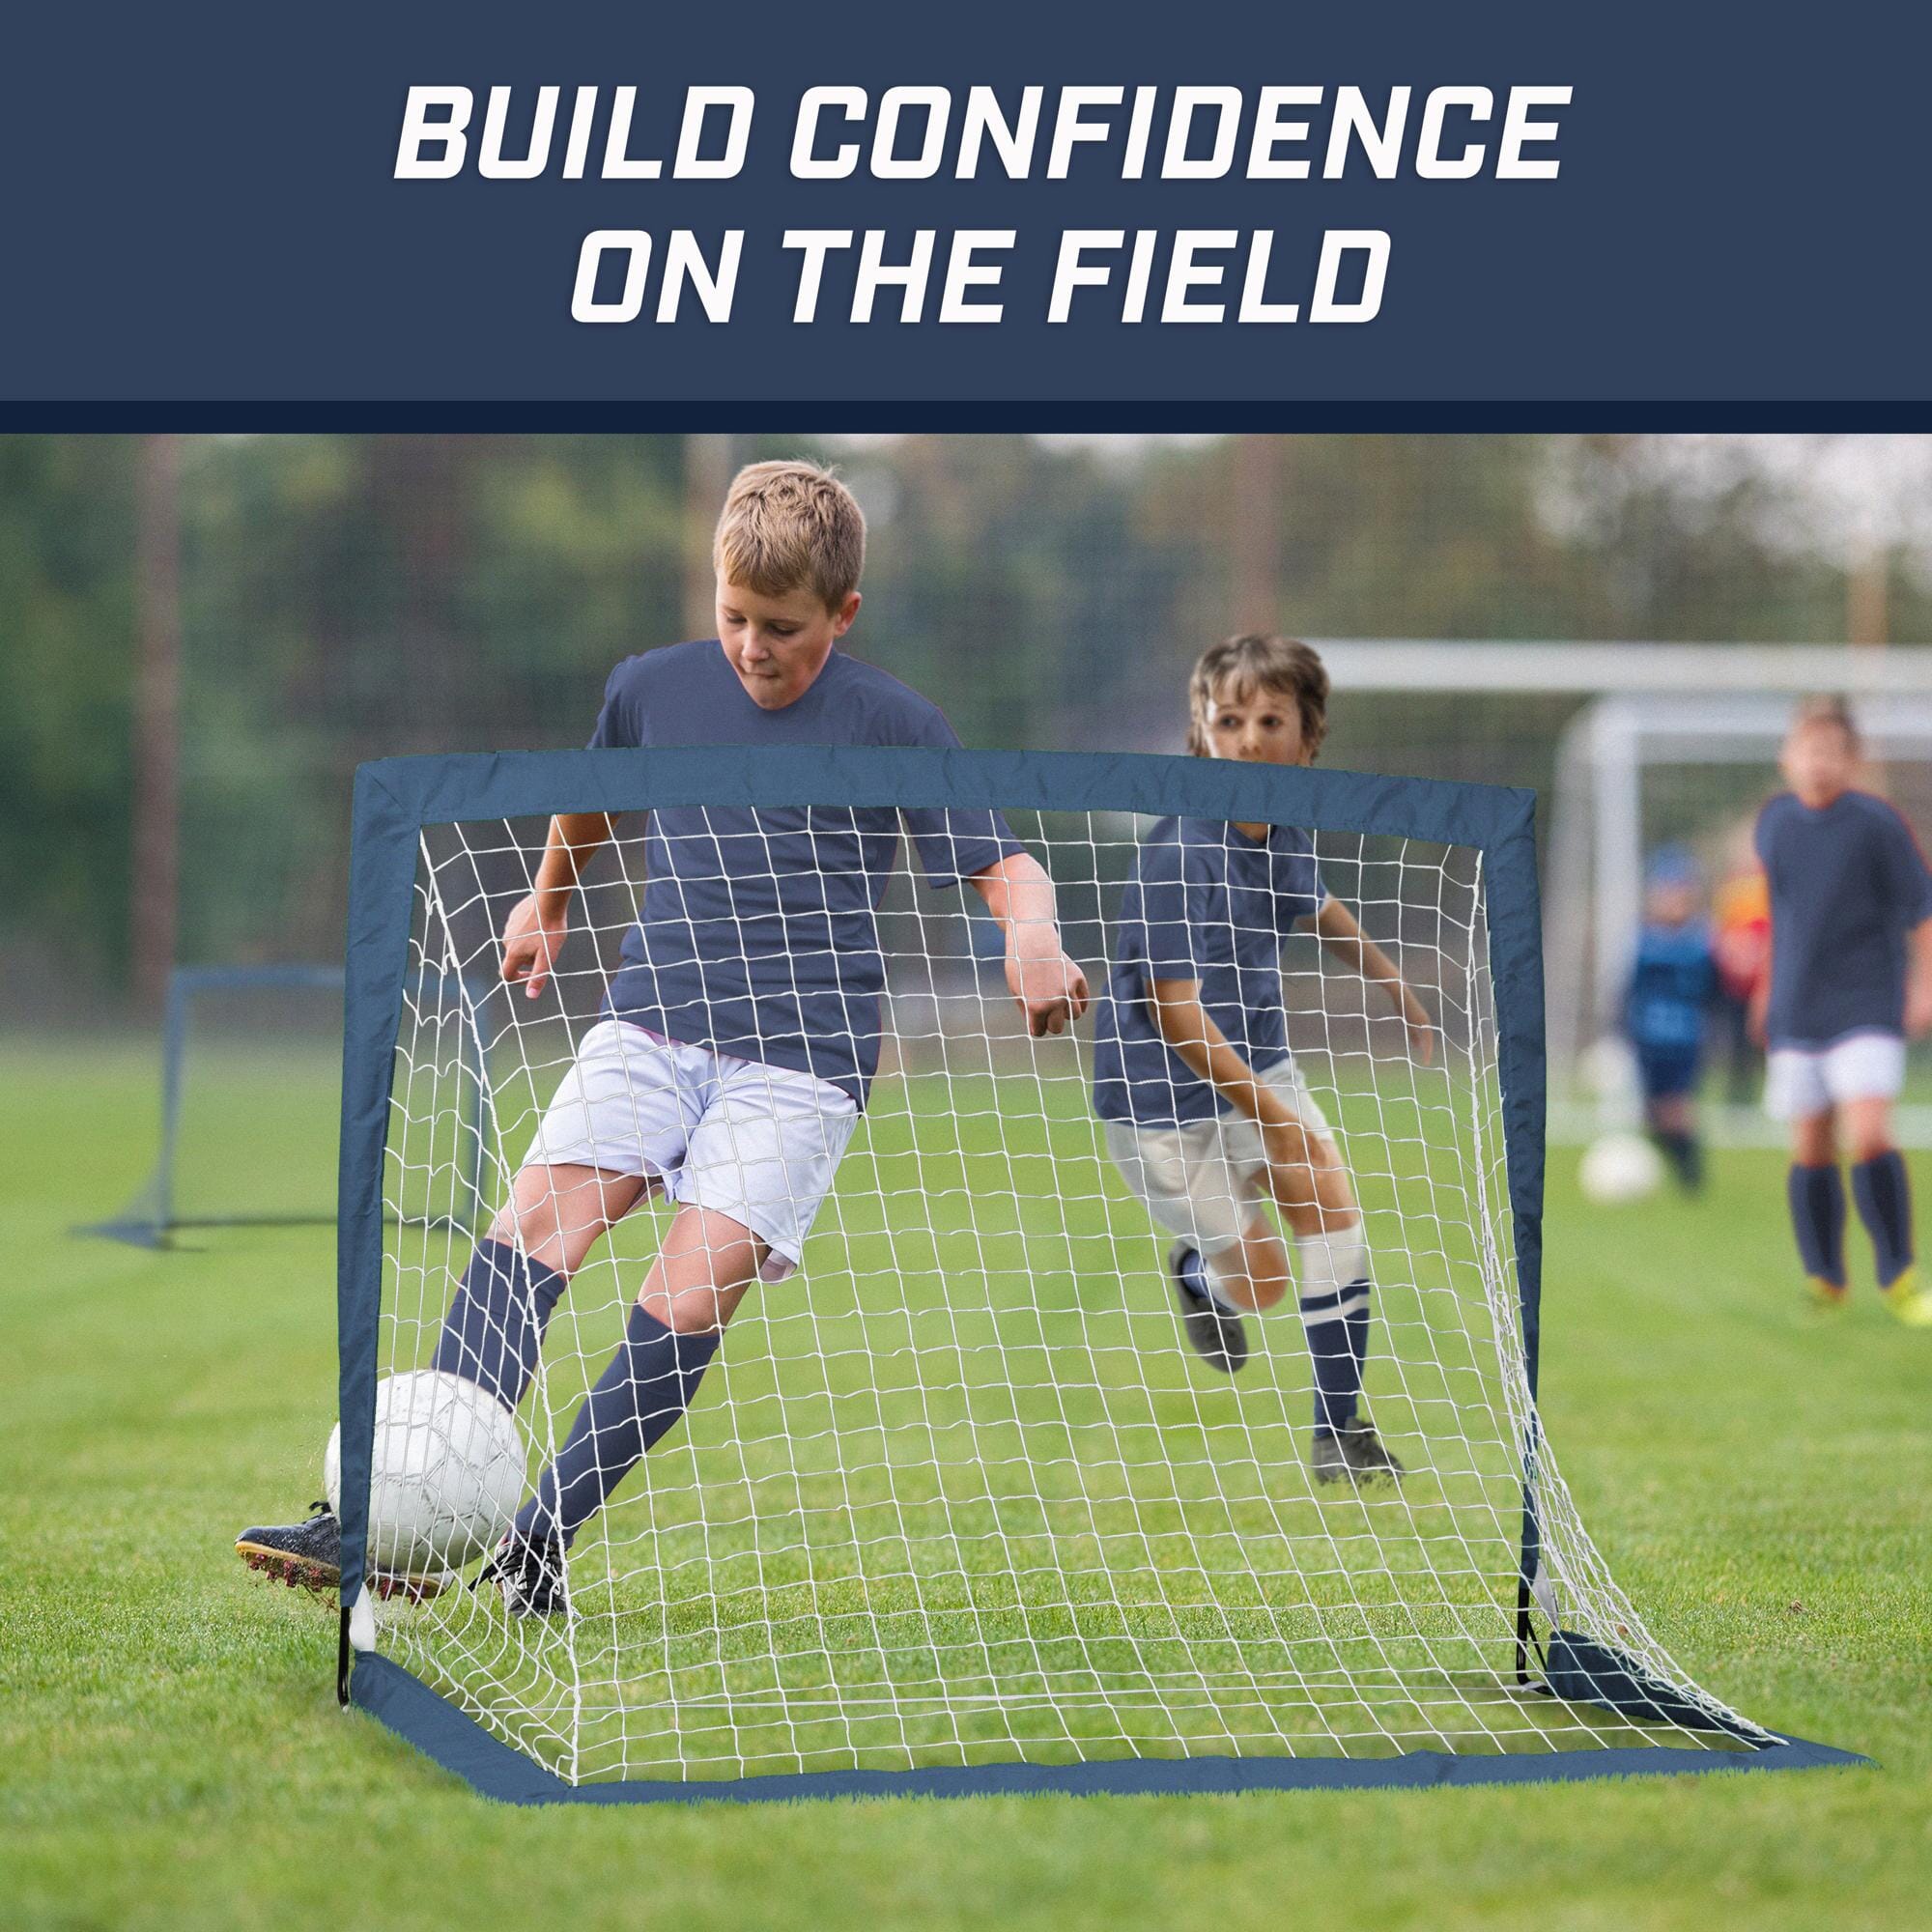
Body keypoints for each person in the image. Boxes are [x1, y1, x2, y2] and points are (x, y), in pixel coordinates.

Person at [237, 460, 1089, 1610]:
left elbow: (1006, 864)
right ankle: (388, 1517)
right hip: (652, 1019)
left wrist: (1030, 937)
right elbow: (594, 793)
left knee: (687, 1297)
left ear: (842, 614)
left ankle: (538, 1537)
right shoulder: (652, 686)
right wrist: (548, 896)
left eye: (782, 628)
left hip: (800, 1062)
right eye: (733, 616)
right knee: (532, 1226)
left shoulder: (897, 724)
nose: (752, 646)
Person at [1091, 635, 1434, 1486]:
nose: (1248, 738)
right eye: (1228, 719)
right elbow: (1175, 1017)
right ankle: (1201, 1275)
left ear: (1308, 740)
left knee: (1333, 1207)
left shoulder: (1277, 832)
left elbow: (1317, 909)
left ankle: (1339, 1435)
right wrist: (1274, 1117)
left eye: (1270, 719)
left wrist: (1393, 981)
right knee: (1265, 1283)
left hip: (1260, 1065)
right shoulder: (1180, 855)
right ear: (1200, 735)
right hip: (1160, 1098)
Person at [1754, 696, 1932, 1321]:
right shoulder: (1773, 825)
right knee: (1809, 1146)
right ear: (1787, 757)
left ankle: (1899, 1275)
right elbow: (1784, 918)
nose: (1817, 762)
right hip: (1798, 1005)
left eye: (1831, 750)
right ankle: (1825, 1277)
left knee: (1869, 1132)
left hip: (1867, 1001)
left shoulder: (1877, 824)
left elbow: (1921, 909)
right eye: (1807, 749)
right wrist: (1764, 989)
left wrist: (1925, 985)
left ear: (1852, 759)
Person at [1622, 847, 1717, 1192]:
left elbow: (1716, 993)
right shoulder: (1642, 940)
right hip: (1649, 1040)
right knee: (1652, 1114)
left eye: (1682, 893)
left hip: (1685, 1041)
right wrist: (1621, 1031)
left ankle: (1693, 1179)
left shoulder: (1703, 940)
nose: (1675, 901)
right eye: (1667, 893)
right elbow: (1626, 992)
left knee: (1678, 1109)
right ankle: (1673, 1163)